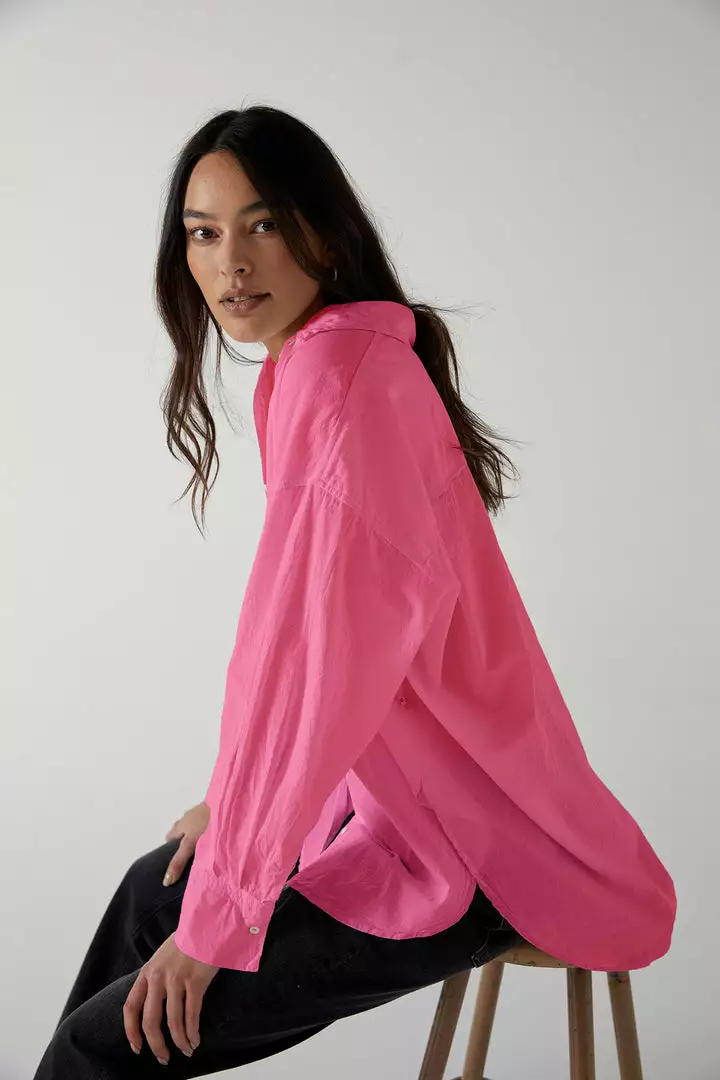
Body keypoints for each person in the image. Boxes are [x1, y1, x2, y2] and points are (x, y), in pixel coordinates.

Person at [33, 103, 676, 1078]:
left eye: (262, 225)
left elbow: (311, 674)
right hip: (404, 807)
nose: (231, 263)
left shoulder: (341, 384)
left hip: (475, 852)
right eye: (204, 234)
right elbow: (341, 668)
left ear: (324, 236)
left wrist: (225, 908)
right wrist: (231, 817)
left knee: (103, 1044)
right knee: (145, 896)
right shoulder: (321, 366)